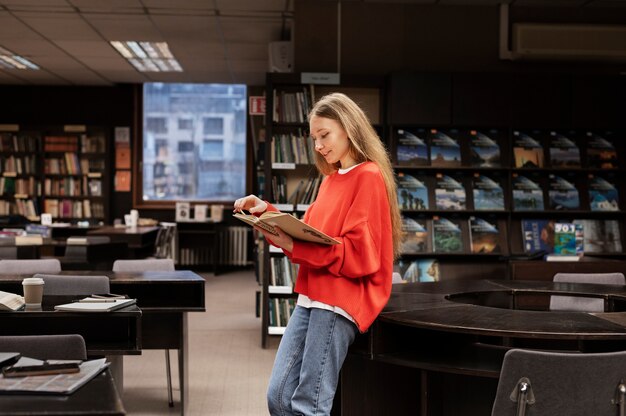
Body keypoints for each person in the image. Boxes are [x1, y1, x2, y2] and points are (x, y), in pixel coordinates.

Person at [233, 92, 402, 416]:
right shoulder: (331, 179)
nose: (319, 146)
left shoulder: (368, 176)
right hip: (312, 295)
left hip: (339, 300)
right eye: (314, 138)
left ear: (349, 127)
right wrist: (264, 211)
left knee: (308, 405)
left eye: (325, 135)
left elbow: (356, 254)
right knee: (279, 397)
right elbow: (307, 233)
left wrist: (298, 245)